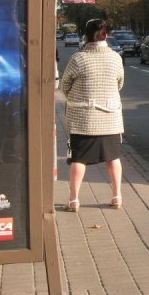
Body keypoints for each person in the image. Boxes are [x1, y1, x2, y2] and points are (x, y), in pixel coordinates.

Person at [61, 19, 125, 212]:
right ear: (106, 36)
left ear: (86, 36)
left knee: (79, 159)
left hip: (83, 120)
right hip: (111, 118)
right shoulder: (115, 58)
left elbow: (65, 86)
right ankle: (117, 197)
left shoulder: (78, 58)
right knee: (113, 158)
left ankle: (74, 200)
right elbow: (119, 84)